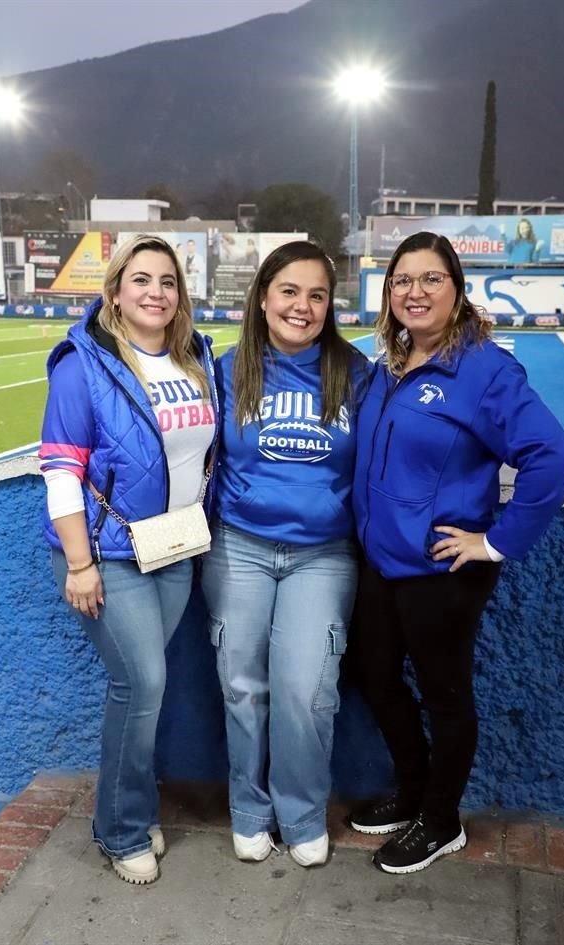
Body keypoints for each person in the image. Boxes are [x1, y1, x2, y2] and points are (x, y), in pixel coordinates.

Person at [349, 231, 564, 875]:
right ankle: (415, 791)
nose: (414, 292)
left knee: (445, 695)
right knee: (374, 675)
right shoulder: (389, 362)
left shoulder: (484, 369)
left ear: (457, 289)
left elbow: (549, 457)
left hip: (443, 568)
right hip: (380, 562)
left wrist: (495, 542)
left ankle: (442, 820)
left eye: (430, 279)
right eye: (402, 281)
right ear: (387, 293)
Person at [39, 234, 218, 885]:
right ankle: (117, 828)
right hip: (108, 554)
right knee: (139, 684)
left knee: (147, 687)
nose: (155, 292)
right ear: (114, 290)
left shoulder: (196, 357)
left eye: (167, 281)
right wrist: (81, 563)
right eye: (140, 279)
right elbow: (61, 471)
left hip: (174, 547)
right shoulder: (82, 365)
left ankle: (135, 811)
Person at [201, 240, 371, 867]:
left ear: (331, 305)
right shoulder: (225, 370)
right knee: (242, 685)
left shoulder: (356, 374)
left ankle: (300, 814)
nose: (302, 306)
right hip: (238, 548)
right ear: (264, 297)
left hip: (323, 555)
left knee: (306, 690)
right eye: (290, 292)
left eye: (317, 295)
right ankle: (248, 811)